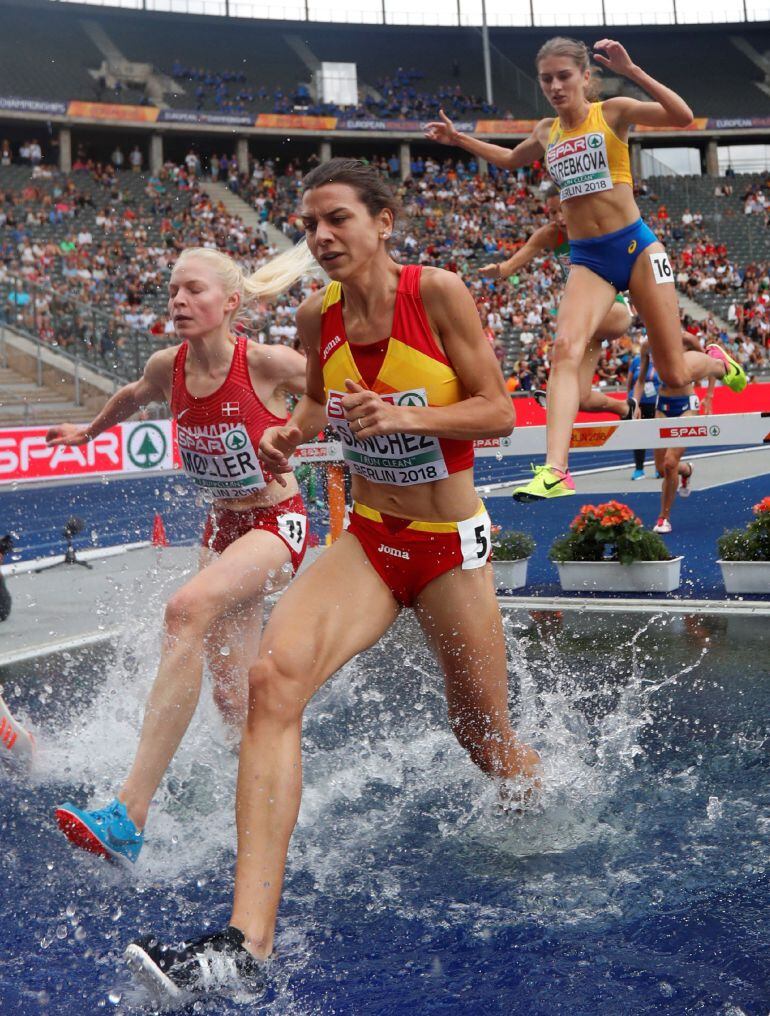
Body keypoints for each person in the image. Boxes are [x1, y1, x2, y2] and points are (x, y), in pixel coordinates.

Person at [123, 158, 541, 1001]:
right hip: (370, 540)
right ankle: (243, 946)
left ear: (383, 222)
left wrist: (412, 415)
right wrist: (288, 434)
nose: (321, 237)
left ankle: (539, 803)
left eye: (338, 219)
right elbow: (317, 407)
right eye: (311, 224)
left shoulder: (439, 294)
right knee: (273, 683)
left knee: (483, 738)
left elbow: (499, 409)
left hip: (448, 545)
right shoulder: (319, 316)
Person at [47, 244, 310, 864]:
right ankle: (272, 801)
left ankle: (127, 814)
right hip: (221, 532)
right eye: (173, 292)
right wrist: (88, 434)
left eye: (193, 290)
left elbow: (332, 390)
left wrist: (296, 431)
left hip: (277, 524)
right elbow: (136, 395)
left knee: (183, 610)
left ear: (230, 302)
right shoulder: (169, 366)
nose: (179, 301)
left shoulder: (267, 363)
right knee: (231, 698)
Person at [425, 36, 747, 502]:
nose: (555, 86)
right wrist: (459, 139)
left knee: (675, 375)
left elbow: (681, 115)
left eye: (563, 76)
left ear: (584, 77)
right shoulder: (545, 132)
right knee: (564, 348)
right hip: (588, 258)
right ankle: (556, 469)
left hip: (637, 248)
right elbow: (512, 159)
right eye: (546, 79)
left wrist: (633, 70)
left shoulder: (612, 112)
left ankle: (715, 362)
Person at [478, 185, 638, 423]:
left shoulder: (591, 227)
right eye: (552, 213)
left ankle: (556, 385)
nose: (558, 219)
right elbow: (512, 265)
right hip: (587, 326)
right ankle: (625, 409)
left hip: (611, 311)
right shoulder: (551, 234)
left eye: (562, 211)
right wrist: (497, 271)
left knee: (565, 325)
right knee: (582, 398)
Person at [633, 333, 715, 534]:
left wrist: (709, 395)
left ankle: (663, 518)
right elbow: (641, 380)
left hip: (687, 404)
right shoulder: (647, 345)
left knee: (670, 462)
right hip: (662, 405)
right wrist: (635, 403)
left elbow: (712, 364)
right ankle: (686, 470)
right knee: (662, 468)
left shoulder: (687, 340)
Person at [627, 336, 661, 479]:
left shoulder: (662, 360)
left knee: (658, 436)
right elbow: (630, 383)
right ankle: (639, 469)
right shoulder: (636, 361)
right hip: (639, 404)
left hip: (656, 404)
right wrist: (634, 402)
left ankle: (660, 467)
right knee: (638, 436)